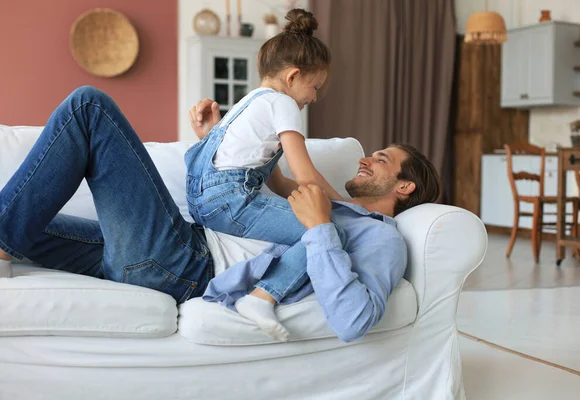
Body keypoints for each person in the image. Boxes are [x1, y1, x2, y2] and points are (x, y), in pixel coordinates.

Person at [0, 85, 440, 344]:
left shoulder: (382, 238)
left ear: (405, 187)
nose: (366, 160)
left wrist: (322, 226)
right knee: (26, 222)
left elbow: (355, 319)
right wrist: (216, 142)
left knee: (89, 108)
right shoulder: (327, 203)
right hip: (173, 247)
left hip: (180, 264)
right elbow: (254, 189)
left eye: (380, 159)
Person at [185, 9, 346, 339]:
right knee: (327, 232)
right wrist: (346, 204)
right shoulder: (281, 104)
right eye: (314, 87)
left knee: (314, 224)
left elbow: (279, 181)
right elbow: (305, 174)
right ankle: (261, 297)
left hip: (204, 200)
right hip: (229, 200)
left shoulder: (250, 103)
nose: (313, 97)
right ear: (292, 77)